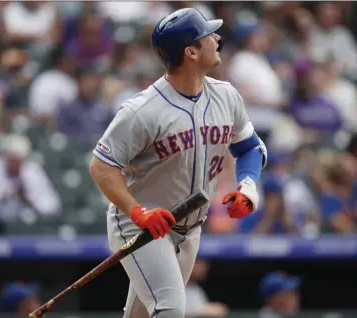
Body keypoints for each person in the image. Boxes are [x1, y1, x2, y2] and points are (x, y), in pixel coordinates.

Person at [89, 8, 267, 318]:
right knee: (169, 309)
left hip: (190, 228)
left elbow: (250, 148)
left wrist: (247, 189)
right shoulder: (143, 110)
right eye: (208, 35)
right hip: (140, 224)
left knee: (143, 315)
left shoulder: (226, 96)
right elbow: (102, 166)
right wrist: (139, 212)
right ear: (191, 51)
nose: (217, 39)